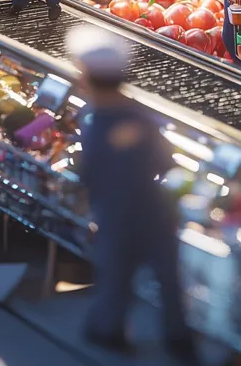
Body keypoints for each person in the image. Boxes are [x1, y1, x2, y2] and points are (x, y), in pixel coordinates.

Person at [68, 26, 200, 365]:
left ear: (88, 80)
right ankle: (176, 339)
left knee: (117, 277)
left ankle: (108, 331)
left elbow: (90, 172)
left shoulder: (92, 120)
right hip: (151, 212)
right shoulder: (139, 117)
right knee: (166, 279)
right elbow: (166, 162)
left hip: (117, 213)